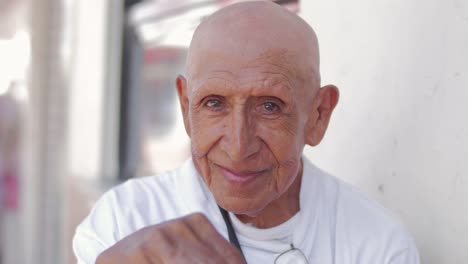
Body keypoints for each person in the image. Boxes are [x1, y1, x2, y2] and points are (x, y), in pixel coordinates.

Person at [73, 1, 420, 263]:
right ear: (185, 107)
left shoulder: (376, 246)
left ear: (318, 115)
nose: (239, 147)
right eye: (214, 104)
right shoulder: (125, 220)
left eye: (270, 106)